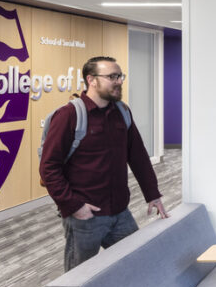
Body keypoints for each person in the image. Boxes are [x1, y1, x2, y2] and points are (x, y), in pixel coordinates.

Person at [40, 56, 168, 271]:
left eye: (120, 76)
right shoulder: (69, 116)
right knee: (78, 280)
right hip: (85, 216)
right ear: (92, 80)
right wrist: (74, 206)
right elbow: (49, 167)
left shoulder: (122, 113)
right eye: (112, 77)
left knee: (136, 266)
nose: (119, 81)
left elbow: (138, 156)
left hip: (119, 211)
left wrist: (152, 194)